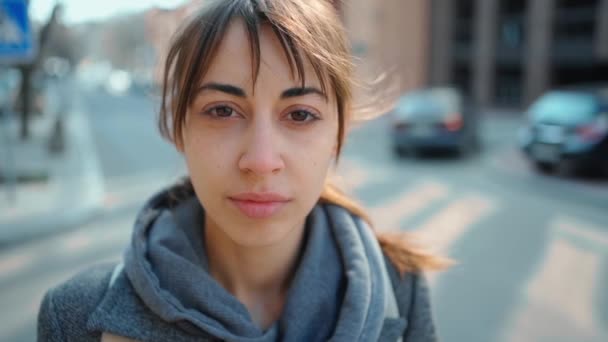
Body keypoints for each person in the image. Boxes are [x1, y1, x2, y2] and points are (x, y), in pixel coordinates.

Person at [37, 0, 448, 341]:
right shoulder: (76, 317)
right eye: (222, 110)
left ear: (338, 135)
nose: (261, 160)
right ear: (178, 129)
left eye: (300, 114)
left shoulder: (401, 292)